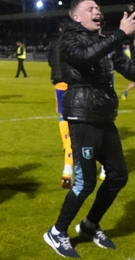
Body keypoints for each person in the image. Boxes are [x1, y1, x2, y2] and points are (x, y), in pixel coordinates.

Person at [43, 0, 135, 258]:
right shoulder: (69, 39)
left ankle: (89, 225)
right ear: (76, 17)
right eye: (90, 8)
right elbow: (85, 57)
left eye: (98, 7)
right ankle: (57, 231)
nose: (97, 10)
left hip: (103, 116)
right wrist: (120, 34)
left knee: (118, 175)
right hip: (82, 116)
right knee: (85, 182)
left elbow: (124, 65)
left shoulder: (103, 41)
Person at [48, 21, 73, 189]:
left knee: (63, 116)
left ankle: (67, 148)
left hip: (58, 84)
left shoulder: (54, 43)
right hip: (73, 84)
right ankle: (70, 164)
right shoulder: (72, 43)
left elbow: (51, 61)